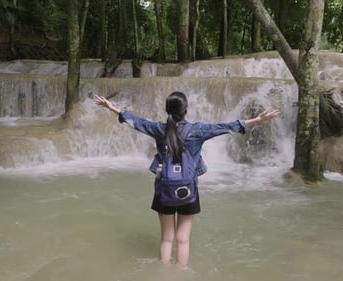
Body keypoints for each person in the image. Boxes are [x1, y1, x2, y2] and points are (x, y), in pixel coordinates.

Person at [94, 92, 279, 268]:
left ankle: (163, 274)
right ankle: (181, 273)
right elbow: (225, 127)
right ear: (186, 110)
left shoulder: (159, 129)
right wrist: (258, 120)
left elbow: (135, 121)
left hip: (164, 189)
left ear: (167, 110)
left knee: (166, 239)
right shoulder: (198, 130)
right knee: (183, 239)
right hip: (188, 190)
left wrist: (112, 107)